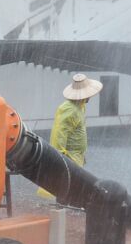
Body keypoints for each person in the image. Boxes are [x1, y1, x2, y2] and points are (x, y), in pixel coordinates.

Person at [37, 72, 103, 200]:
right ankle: (62, 208)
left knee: (72, 185)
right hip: (69, 156)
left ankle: (66, 206)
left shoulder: (80, 106)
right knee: (65, 184)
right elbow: (59, 134)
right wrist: (60, 157)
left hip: (76, 156)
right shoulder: (69, 109)